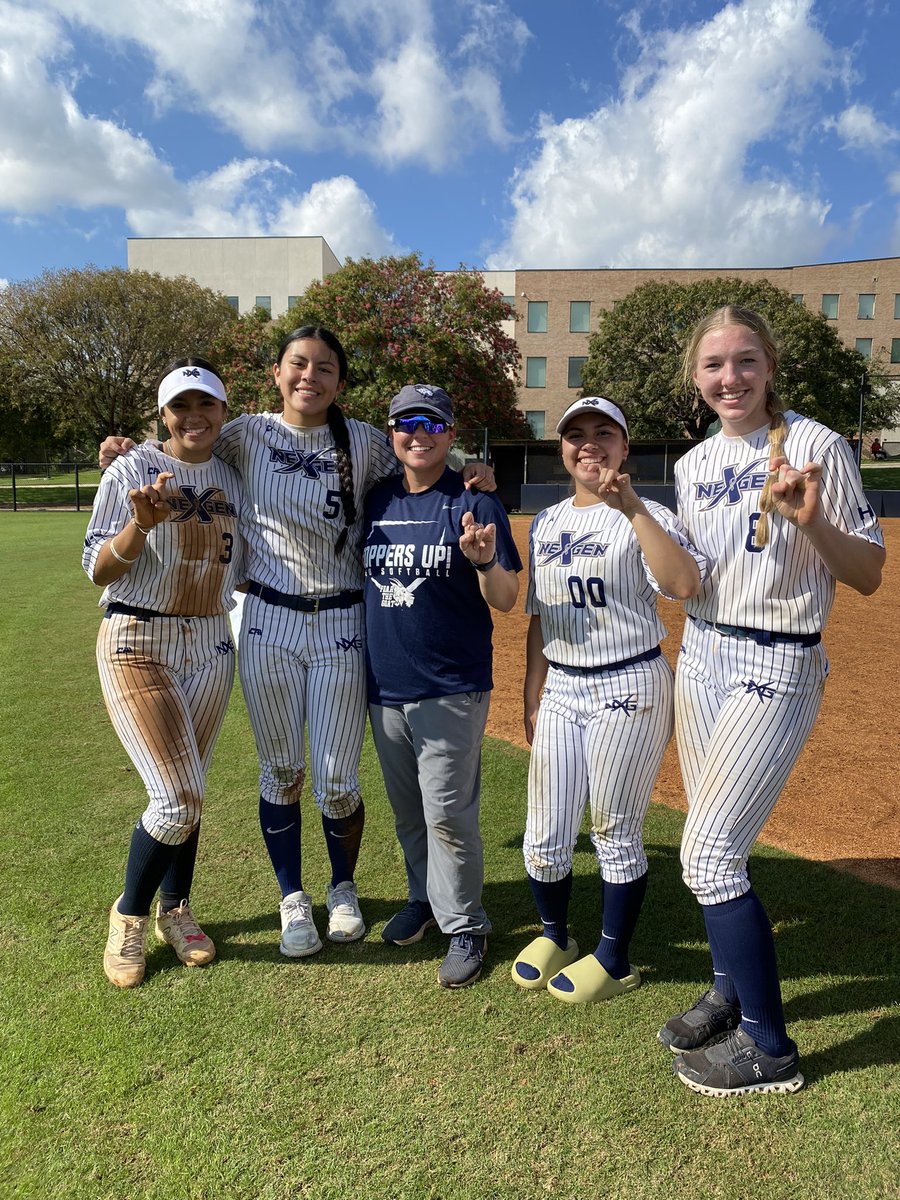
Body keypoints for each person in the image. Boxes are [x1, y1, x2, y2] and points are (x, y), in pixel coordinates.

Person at [100, 329, 495, 959]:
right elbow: (186, 442)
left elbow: (427, 465)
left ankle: (342, 887)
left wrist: (476, 470)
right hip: (266, 619)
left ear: (340, 381)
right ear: (278, 374)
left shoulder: (365, 441)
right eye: (298, 365)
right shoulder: (245, 432)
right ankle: (292, 896)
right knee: (281, 771)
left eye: (325, 368)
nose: (310, 376)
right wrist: (131, 446)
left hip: (341, 620)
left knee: (337, 779)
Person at [662, 306, 884, 1097]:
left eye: (745, 361)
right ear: (696, 377)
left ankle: (769, 1047)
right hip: (701, 652)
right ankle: (730, 988)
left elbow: (866, 575)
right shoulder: (691, 466)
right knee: (712, 842)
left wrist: (813, 520)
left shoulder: (817, 445)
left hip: (777, 659)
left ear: (770, 365)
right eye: (715, 364)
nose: (731, 378)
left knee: (709, 854)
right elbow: (690, 573)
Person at [512, 397, 704, 1003]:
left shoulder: (650, 514)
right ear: (561, 448)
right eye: (576, 434)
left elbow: (682, 585)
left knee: (615, 830)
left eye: (604, 433)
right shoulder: (545, 522)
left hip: (629, 682)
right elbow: (539, 616)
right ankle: (555, 935)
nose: (588, 444)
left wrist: (633, 510)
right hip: (563, 684)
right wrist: (531, 691)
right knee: (544, 831)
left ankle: (615, 958)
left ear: (625, 448)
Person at [85, 358, 245, 987]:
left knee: (192, 788)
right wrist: (138, 527)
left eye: (206, 405)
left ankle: (175, 910)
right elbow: (98, 569)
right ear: (163, 414)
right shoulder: (129, 470)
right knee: (174, 796)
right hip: (137, 638)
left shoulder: (234, 476)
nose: (194, 417)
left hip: (210, 640)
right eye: (181, 406)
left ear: (223, 414)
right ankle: (128, 914)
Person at [364, 385, 521, 988]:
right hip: (385, 687)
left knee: (448, 814)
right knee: (409, 815)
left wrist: (483, 562)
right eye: (407, 422)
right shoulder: (375, 500)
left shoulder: (475, 503)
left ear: (452, 435)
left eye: (433, 422)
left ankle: (467, 924)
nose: (419, 433)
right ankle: (425, 900)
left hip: (450, 686)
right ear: (392, 432)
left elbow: (506, 600)